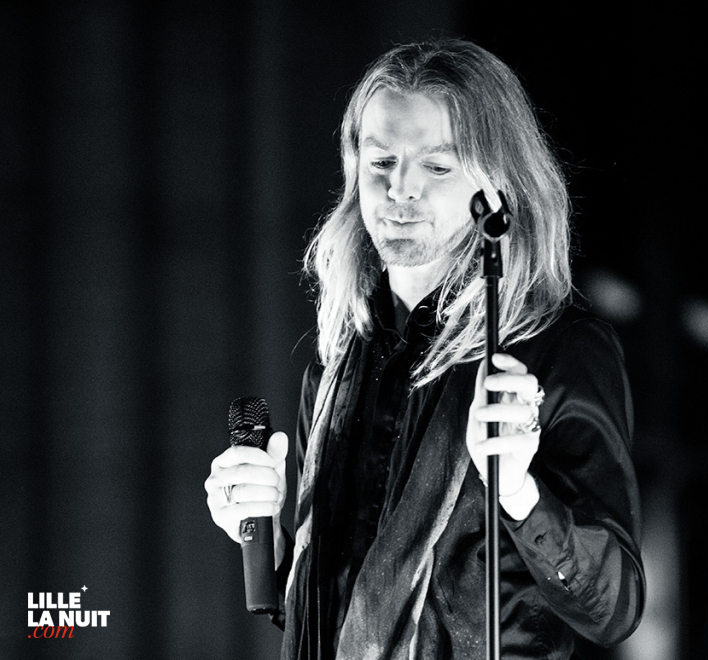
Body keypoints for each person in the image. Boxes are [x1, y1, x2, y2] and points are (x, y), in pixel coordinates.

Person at [204, 38, 644, 660]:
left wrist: (519, 491)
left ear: (498, 184)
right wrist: (271, 542)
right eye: (381, 162)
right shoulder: (337, 365)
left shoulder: (559, 350)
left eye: (437, 167)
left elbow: (617, 605)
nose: (400, 190)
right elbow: (337, 620)